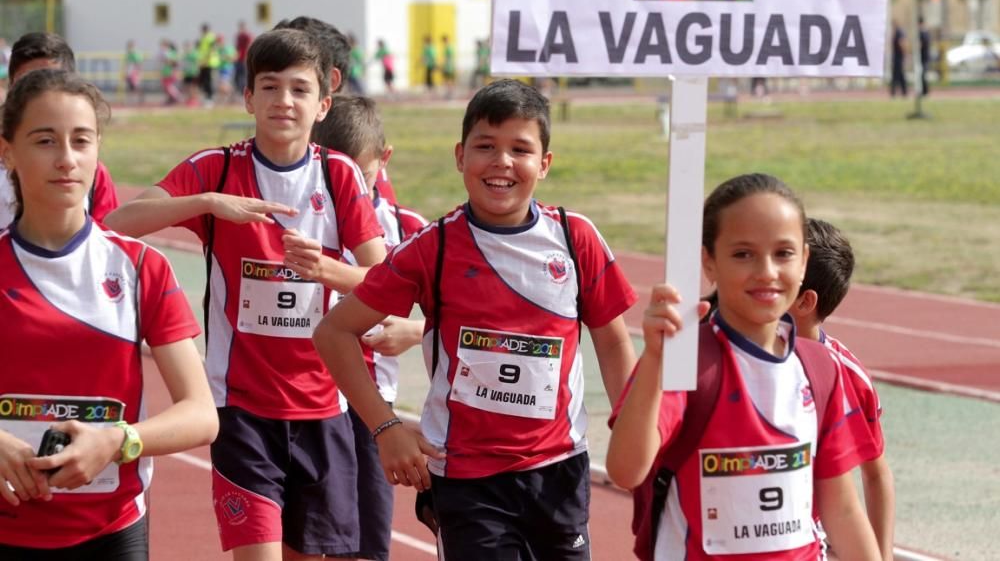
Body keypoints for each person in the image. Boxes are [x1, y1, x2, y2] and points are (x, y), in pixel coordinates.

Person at [313, 78, 638, 560]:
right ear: (460, 156)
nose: (502, 162)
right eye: (486, 146)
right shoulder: (433, 248)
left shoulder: (576, 239)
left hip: (560, 473)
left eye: (520, 149)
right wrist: (385, 429)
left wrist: (632, 433)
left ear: (544, 164)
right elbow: (335, 331)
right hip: (468, 480)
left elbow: (612, 342)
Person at [103, 28, 387, 561]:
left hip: (324, 408)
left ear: (323, 103)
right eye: (271, 87)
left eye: (300, 90)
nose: (284, 101)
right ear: (248, 97)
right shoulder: (218, 168)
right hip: (242, 411)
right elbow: (119, 223)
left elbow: (385, 283)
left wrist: (327, 269)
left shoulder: (339, 174)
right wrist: (209, 203)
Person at [606, 173, 881, 561]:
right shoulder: (685, 360)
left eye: (783, 253)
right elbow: (626, 470)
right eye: (742, 254)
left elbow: (843, 508)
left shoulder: (821, 368)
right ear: (708, 261)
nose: (766, 271)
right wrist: (654, 361)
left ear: (804, 262)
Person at [0, 69, 218, 559]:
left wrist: (120, 441)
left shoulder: (142, 268)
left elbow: (202, 415)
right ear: (7, 151)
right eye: (44, 140)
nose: (66, 159)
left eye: (82, 140)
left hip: (110, 535)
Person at [312, 94, 427, 561]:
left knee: (366, 546)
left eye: (362, 173)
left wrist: (415, 331)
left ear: (385, 159)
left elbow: (463, 314)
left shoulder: (411, 229)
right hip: (309, 404)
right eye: (337, 172)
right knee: (311, 541)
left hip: (370, 407)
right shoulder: (304, 218)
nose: (350, 187)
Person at [788, 218, 895, 561]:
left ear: (804, 302)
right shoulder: (721, 353)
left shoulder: (847, 377)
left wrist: (882, 554)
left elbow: (876, 474)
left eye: (780, 263)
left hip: (801, 543)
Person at [274, 16, 398, 205]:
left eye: (297, 85)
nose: (282, 100)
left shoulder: (359, 157)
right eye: (271, 84)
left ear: (330, 81)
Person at [1, 32, 120, 227]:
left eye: (53, 80)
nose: (42, 94)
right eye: (29, 84)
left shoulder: (93, 175)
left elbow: (107, 237)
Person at [197, 23, 217, 106]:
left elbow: (212, 49)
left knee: (208, 81)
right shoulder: (203, 38)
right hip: (203, 63)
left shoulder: (210, 37)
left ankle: (210, 98)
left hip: (209, 63)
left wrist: (207, 59)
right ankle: (206, 97)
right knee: (202, 81)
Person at [158, 39, 182, 106]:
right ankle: (170, 99)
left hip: (169, 71)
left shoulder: (168, 52)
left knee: (168, 86)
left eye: (163, 45)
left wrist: (167, 61)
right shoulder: (164, 52)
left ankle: (177, 96)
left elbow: (174, 62)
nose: (161, 46)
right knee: (165, 86)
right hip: (165, 71)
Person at [234, 20, 253, 95]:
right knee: (237, 77)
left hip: (244, 59)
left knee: (243, 77)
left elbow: (249, 45)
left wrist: (247, 56)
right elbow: (237, 48)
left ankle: (244, 92)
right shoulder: (238, 36)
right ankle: (239, 92)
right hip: (239, 59)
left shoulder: (247, 35)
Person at [890, 21, 907, 97]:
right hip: (897, 57)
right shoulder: (897, 32)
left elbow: (902, 43)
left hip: (898, 57)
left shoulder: (899, 32)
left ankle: (899, 91)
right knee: (898, 75)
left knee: (898, 75)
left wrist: (905, 54)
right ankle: (900, 91)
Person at [123, 40, 144, 104]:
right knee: (130, 86)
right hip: (129, 72)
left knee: (135, 86)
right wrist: (126, 72)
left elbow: (139, 64)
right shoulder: (128, 55)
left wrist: (138, 73)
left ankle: (140, 98)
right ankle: (131, 99)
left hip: (134, 73)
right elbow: (126, 64)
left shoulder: (135, 54)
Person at [181, 40, 200, 107]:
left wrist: (197, 71)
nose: (186, 48)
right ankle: (189, 99)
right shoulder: (185, 55)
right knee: (186, 87)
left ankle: (195, 100)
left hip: (193, 73)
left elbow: (197, 62)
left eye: (187, 47)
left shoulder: (193, 54)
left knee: (193, 87)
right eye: (185, 47)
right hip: (187, 73)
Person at [918, 17, 931, 97]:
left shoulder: (923, 33)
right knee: (921, 74)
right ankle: (923, 90)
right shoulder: (924, 33)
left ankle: (925, 91)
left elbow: (922, 44)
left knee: (923, 74)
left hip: (924, 57)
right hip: (923, 56)